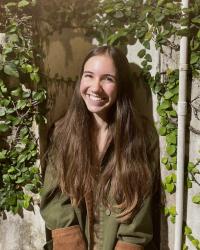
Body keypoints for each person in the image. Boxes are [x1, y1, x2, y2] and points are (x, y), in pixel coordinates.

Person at [40, 45, 160, 250]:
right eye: (89, 76)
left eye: (108, 79)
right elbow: (55, 201)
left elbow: (140, 213)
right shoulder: (62, 134)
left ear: (121, 85)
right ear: (80, 79)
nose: (95, 87)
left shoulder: (142, 138)